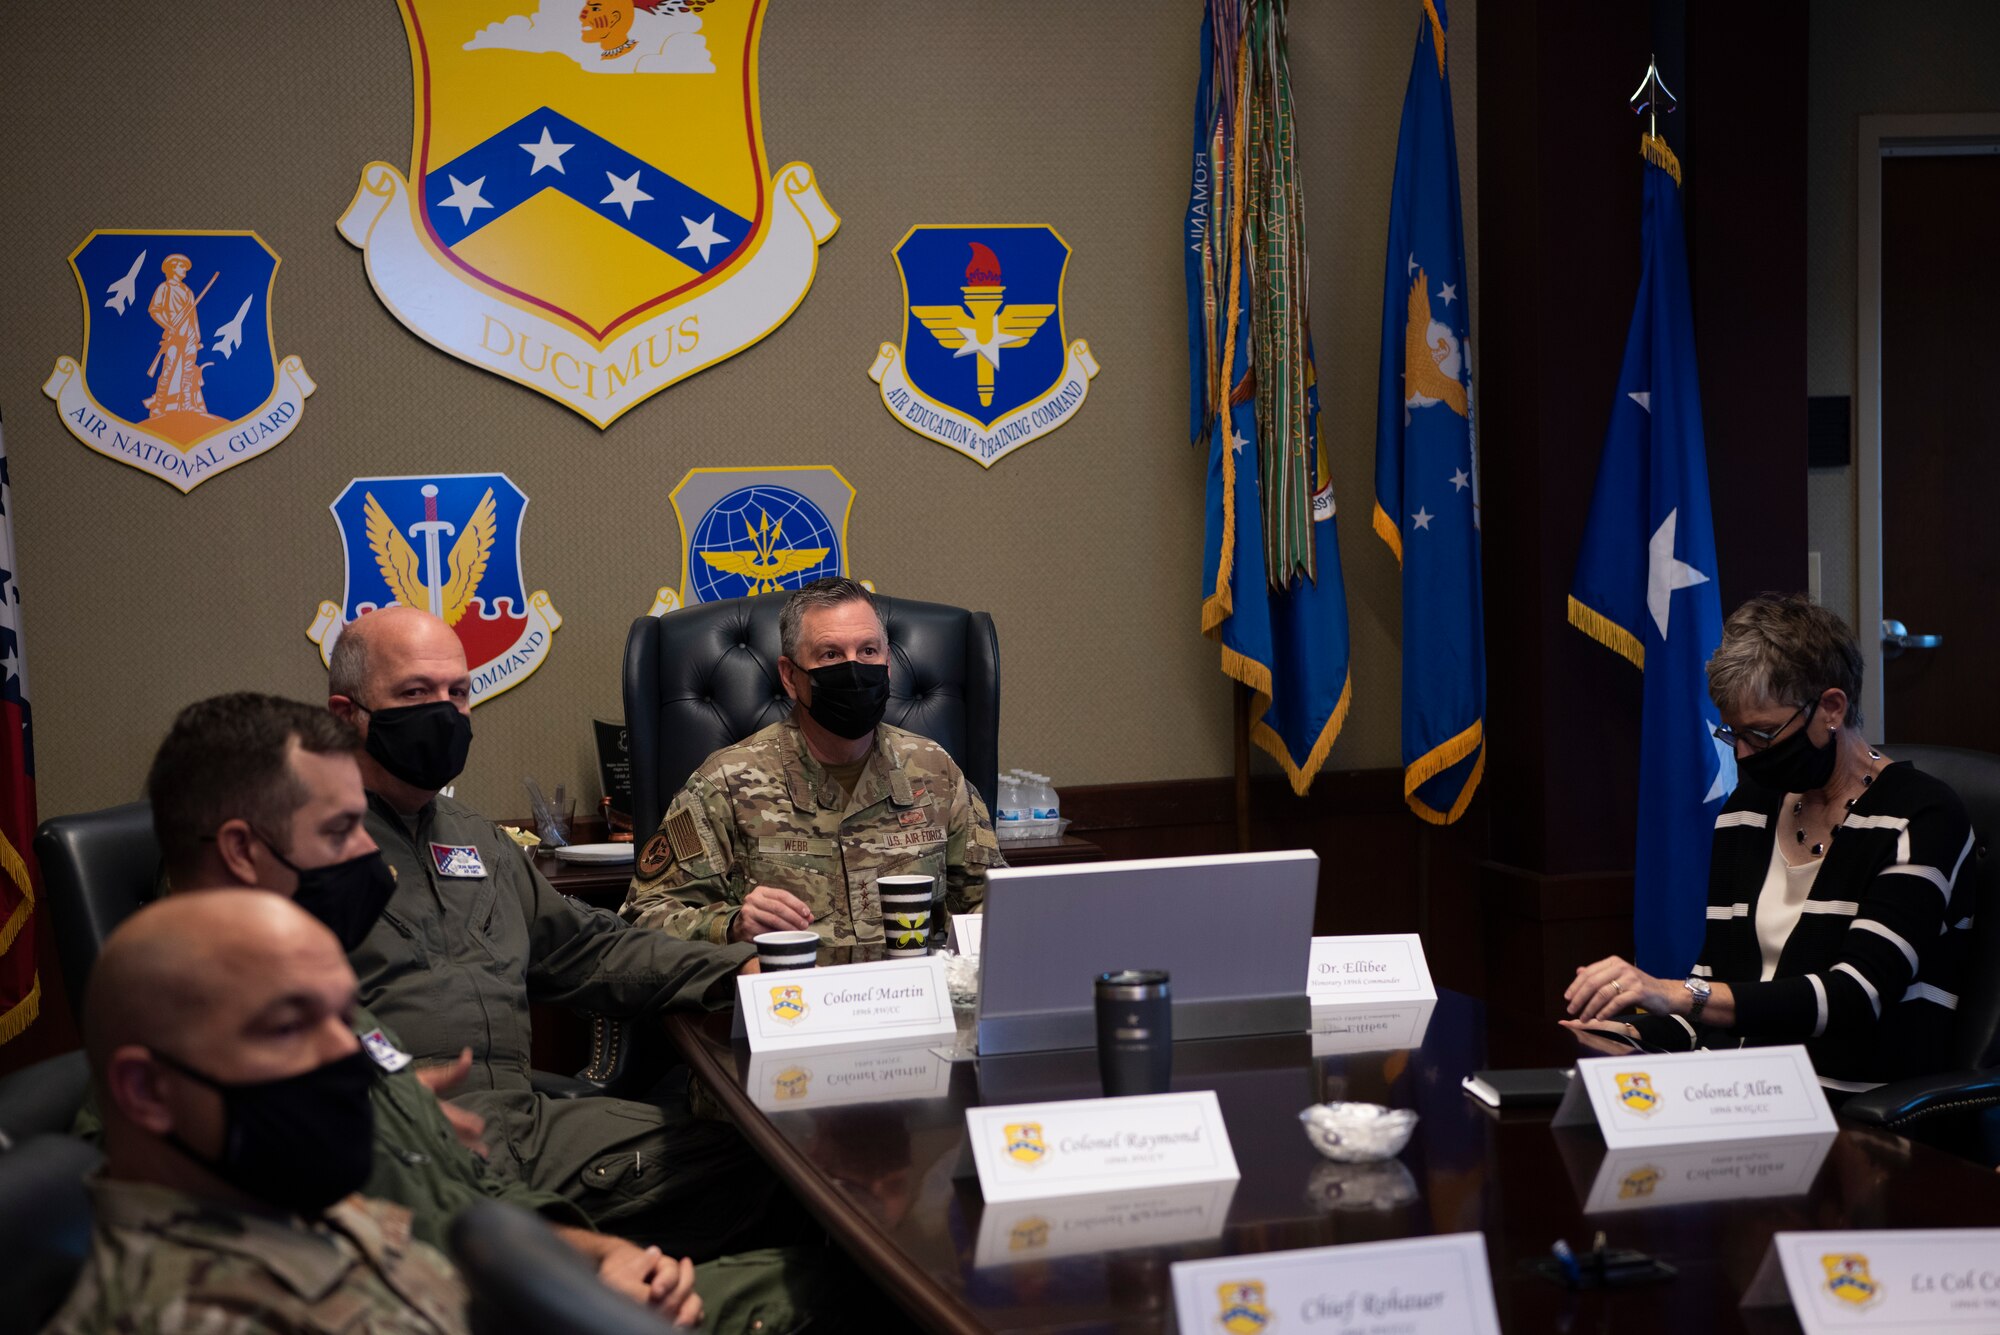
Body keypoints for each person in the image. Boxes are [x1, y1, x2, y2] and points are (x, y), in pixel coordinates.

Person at [129, 691, 806, 1328]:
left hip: (506, 1180)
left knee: (796, 1193)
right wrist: (571, 1285)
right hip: (461, 1295)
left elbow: (448, 1188)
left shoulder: (324, 1012)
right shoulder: (212, 1034)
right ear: (242, 851)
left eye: (460, 690)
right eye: (341, 828)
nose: (371, 848)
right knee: (829, 1288)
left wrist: (588, 1258)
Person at [324, 607, 794, 1261]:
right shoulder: (304, 844)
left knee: (776, 1168)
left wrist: (733, 968)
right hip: (408, 1134)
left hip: (528, 1124)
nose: (445, 710)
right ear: (347, 712)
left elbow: (589, 949)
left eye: (458, 692)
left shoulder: (476, 838)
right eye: (414, 693)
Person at [1562, 594, 1973, 1094]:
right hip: (1738, 1093)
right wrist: (1624, 1034)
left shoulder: (1923, 816)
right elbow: (1714, 998)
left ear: (1831, 708)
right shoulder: (1749, 808)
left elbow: (1854, 997)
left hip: (1859, 1114)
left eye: (1760, 734)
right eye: (1732, 733)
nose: (1742, 754)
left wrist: (1676, 993)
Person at [44, 891, 500, 1334]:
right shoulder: (198, 1317)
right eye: (287, 1027)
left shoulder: (271, 1193)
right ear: (148, 1091)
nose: (348, 1053)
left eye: (345, 1018)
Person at [624, 578, 1003, 947]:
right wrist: (732, 925)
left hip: (913, 999)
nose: (854, 669)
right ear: (790, 677)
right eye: (831, 655)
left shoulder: (935, 771)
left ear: (888, 665)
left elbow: (992, 905)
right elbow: (642, 920)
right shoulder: (725, 783)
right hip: (792, 1002)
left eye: (868, 651)